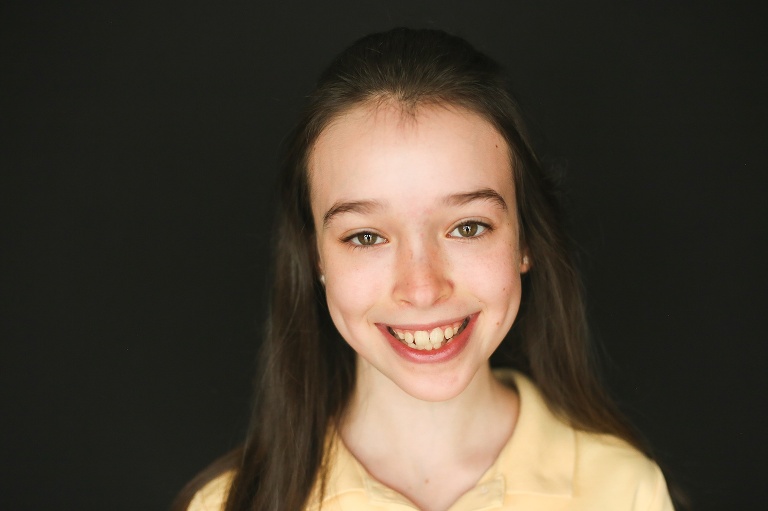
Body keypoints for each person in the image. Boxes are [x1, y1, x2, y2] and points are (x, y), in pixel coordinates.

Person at [174, 27, 676, 511]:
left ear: (526, 239)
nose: (422, 289)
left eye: (468, 227)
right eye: (366, 236)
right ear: (316, 258)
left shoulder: (624, 490)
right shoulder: (224, 506)